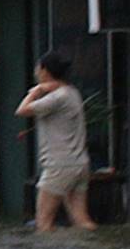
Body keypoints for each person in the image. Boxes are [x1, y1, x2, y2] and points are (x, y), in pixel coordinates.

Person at [18, 50, 95, 231]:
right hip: (80, 165)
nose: (36, 71)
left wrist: (35, 91)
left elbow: (22, 110)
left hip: (59, 166)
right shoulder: (72, 92)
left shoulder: (57, 97)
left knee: (44, 221)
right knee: (81, 219)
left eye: (38, 68)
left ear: (45, 71)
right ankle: (94, 246)